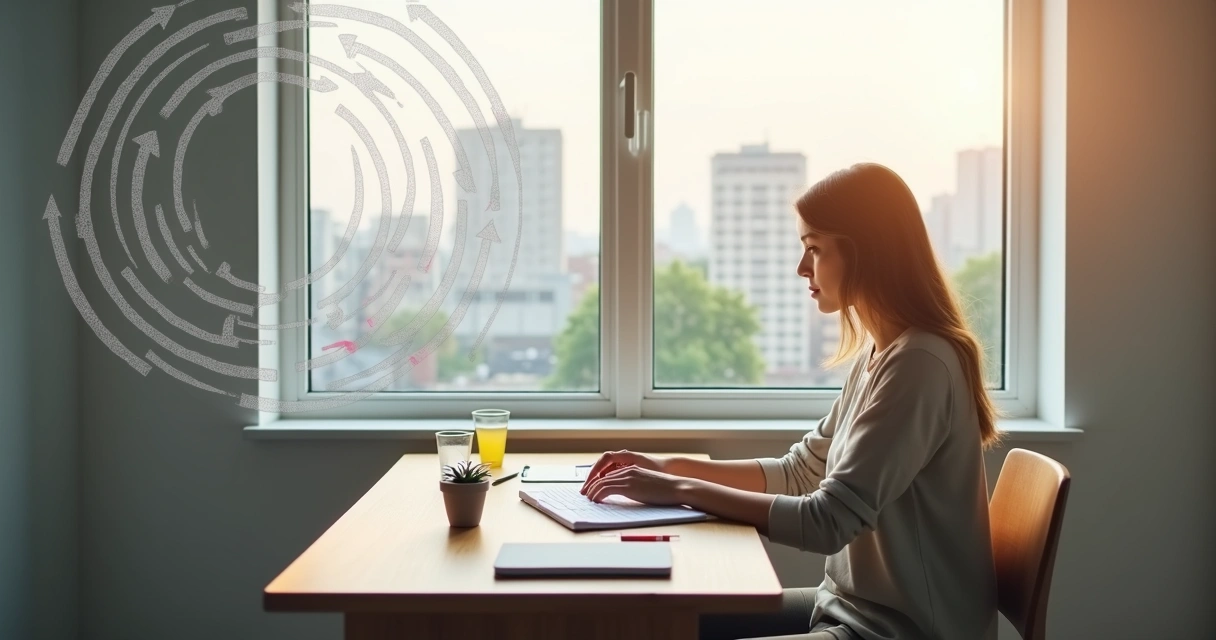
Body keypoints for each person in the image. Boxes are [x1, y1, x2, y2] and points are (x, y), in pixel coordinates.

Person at [580, 163, 1003, 640]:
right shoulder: (883, 353)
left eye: (814, 249)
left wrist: (679, 492)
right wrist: (670, 467)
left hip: (901, 630)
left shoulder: (920, 365)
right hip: (848, 608)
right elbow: (801, 471)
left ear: (865, 253)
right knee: (661, 619)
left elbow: (827, 521)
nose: (802, 268)